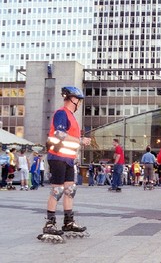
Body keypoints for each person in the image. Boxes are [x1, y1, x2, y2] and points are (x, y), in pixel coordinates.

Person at [39, 86, 91, 242]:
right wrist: (80, 140)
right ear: (73, 99)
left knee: (70, 190)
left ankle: (68, 221)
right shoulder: (62, 113)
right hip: (58, 157)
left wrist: (78, 145)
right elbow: (59, 134)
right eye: (79, 101)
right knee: (58, 190)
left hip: (68, 158)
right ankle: (50, 223)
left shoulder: (71, 116)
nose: (80, 104)